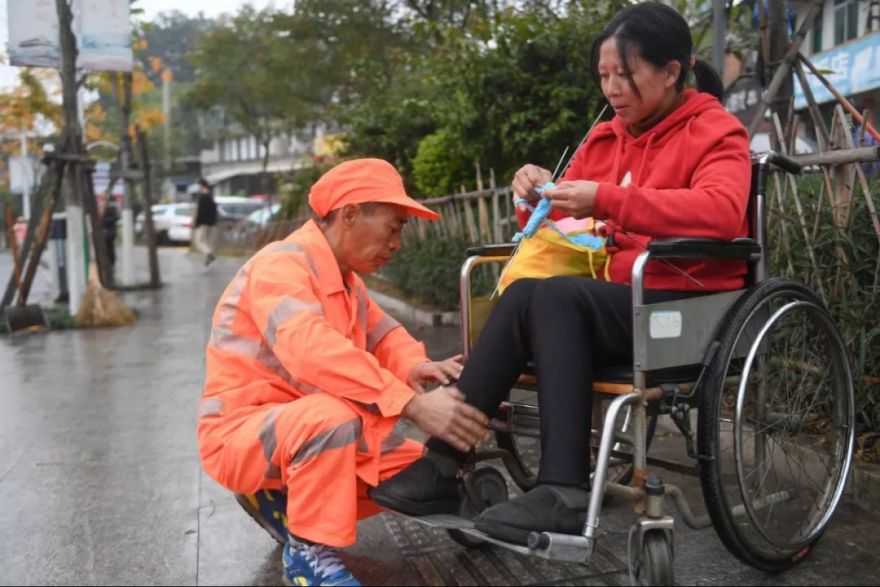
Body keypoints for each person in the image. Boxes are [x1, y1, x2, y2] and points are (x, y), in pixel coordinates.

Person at [370, 1, 752, 545]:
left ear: (671, 73)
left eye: (626, 74)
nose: (612, 88)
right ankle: (441, 463)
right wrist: (534, 194)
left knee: (554, 298)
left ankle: (564, 490)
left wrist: (610, 199)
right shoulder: (606, 137)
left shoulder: (716, 131)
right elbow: (557, 219)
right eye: (604, 76)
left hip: (680, 299)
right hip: (611, 294)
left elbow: (720, 212)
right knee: (527, 291)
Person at [196, 158, 488, 586]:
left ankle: (281, 500)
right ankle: (307, 553)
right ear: (351, 214)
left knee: (418, 472)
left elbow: (385, 336)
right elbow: (309, 348)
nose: (397, 242)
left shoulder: (347, 281)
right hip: (243, 435)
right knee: (334, 419)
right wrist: (410, 404)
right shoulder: (280, 266)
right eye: (393, 226)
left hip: (305, 433)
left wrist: (416, 368)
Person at [193, 178, 218, 267]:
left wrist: (197, 223)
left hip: (202, 223)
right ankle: (208, 254)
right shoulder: (210, 196)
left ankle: (209, 254)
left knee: (198, 241)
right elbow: (214, 211)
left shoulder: (203, 197)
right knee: (205, 241)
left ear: (201, 185)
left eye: (198, 186)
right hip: (209, 223)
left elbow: (200, 212)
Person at [101, 201, 119, 268]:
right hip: (104, 233)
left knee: (110, 249)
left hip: (109, 233)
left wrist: (104, 222)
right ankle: (107, 263)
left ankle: (111, 263)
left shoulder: (111, 209)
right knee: (105, 249)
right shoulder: (99, 210)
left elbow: (116, 218)